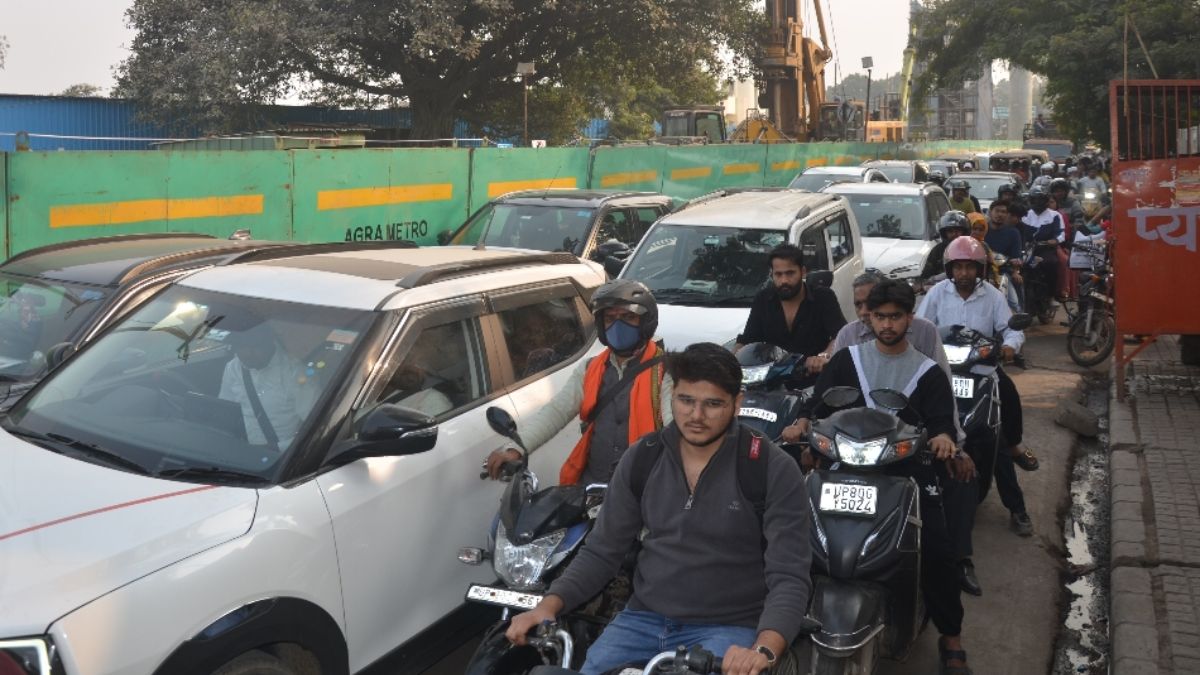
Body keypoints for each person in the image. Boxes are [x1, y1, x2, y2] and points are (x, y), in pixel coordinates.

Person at [505, 343, 813, 675]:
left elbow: (789, 574)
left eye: (712, 404)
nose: (696, 416)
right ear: (671, 397)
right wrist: (548, 605)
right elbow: (602, 551)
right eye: (686, 401)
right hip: (641, 619)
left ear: (737, 403)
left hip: (728, 628)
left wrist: (764, 648)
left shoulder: (769, 467)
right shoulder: (643, 458)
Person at [792, 280, 973, 674]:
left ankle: (951, 635)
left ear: (910, 318)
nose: (887, 324)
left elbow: (942, 420)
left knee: (938, 551)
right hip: (844, 464)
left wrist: (942, 437)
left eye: (895, 316)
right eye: (879, 316)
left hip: (905, 468)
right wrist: (803, 422)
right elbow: (818, 403)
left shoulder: (927, 372)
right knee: (791, 534)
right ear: (867, 317)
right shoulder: (846, 359)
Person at [484, 279, 673, 485]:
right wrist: (517, 447)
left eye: (628, 317)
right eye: (610, 318)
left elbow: (676, 433)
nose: (618, 325)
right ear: (601, 325)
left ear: (645, 322)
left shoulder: (666, 372)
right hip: (592, 485)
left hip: (643, 488)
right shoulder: (590, 368)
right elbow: (557, 410)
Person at [917, 236, 1038, 526]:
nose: (963, 274)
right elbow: (920, 327)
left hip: (981, 371)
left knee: (998, 428)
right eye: (958, 267)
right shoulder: (936, 294)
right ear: (949, 269)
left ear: (980, 269)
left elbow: (1010, 329)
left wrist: (1010, 346)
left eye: (969, 267)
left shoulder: (993, 297)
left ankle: (1017, 505)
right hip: (943, 373)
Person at [734, 244, 846, 382]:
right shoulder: (763, 299)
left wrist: (823, 357)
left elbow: (840, 335)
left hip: (813, 380)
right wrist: (728, 361)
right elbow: (748, 341)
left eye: (790, 273)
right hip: (771, 382)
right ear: (772, 274)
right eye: (778, 274)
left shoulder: (823, 297)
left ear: (803, 272)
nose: (784, 281)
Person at [219, 321, 318, 450]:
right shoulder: (233, 368)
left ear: (269, 342)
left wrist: (278, 448)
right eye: (240, 346)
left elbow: (316, 429)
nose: (247, 353)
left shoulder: (296, 373)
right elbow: (225, 411)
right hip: (241, 451)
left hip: (282, 456)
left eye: (254, 346)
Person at [1022, 186, 1065, 300]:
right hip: (1027, 249)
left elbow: (1061, 234)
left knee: (1051, 263)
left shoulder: (1055, 215)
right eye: (1034, 200)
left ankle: (1051, 295)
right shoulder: (1025, 214)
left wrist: (1055, 240)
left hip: (1045, 249)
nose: (1037, 202)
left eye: (1040, 200)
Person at [984, 200, 1026, 312]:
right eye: (997, 211)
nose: (1000, 214)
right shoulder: (982, 229)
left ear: (1007, 215)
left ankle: (1019, 317)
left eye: (1003, 212)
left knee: (1013, 303)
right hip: (981, 270)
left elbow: (1016, 257)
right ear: (990, 212)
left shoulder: (1013, 233)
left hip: (1003, 272)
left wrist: (1015, 271)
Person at [921, 211, 971, 281]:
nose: (954, 234)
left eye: (958, 230)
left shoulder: (972, 249)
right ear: (944, 233)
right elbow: (926, 277)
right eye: (950, 231)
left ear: (965, 231)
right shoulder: (938, 250)